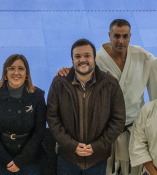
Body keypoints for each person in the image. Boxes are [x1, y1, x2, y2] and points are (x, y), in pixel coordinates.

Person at [48, 38, 124, 175]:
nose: (82, 60)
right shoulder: (59, 84)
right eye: (77, 56)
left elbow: (117, 120)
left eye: (87, 55)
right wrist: (72, 146)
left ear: (95, 58)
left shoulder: (111, 84)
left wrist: (96, 147)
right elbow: (52, 118)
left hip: (97, 158)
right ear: (72, 60)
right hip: (67, 158)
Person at [0, 54, 48, 175]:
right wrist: (6, 159)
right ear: (5, 73)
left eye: (21, 68)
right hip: (0, 160)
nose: (16, 72)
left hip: (30, 160)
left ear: (27, 73)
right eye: (12, 68)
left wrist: (21, 160)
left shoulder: (37, 95)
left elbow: (39, 132)